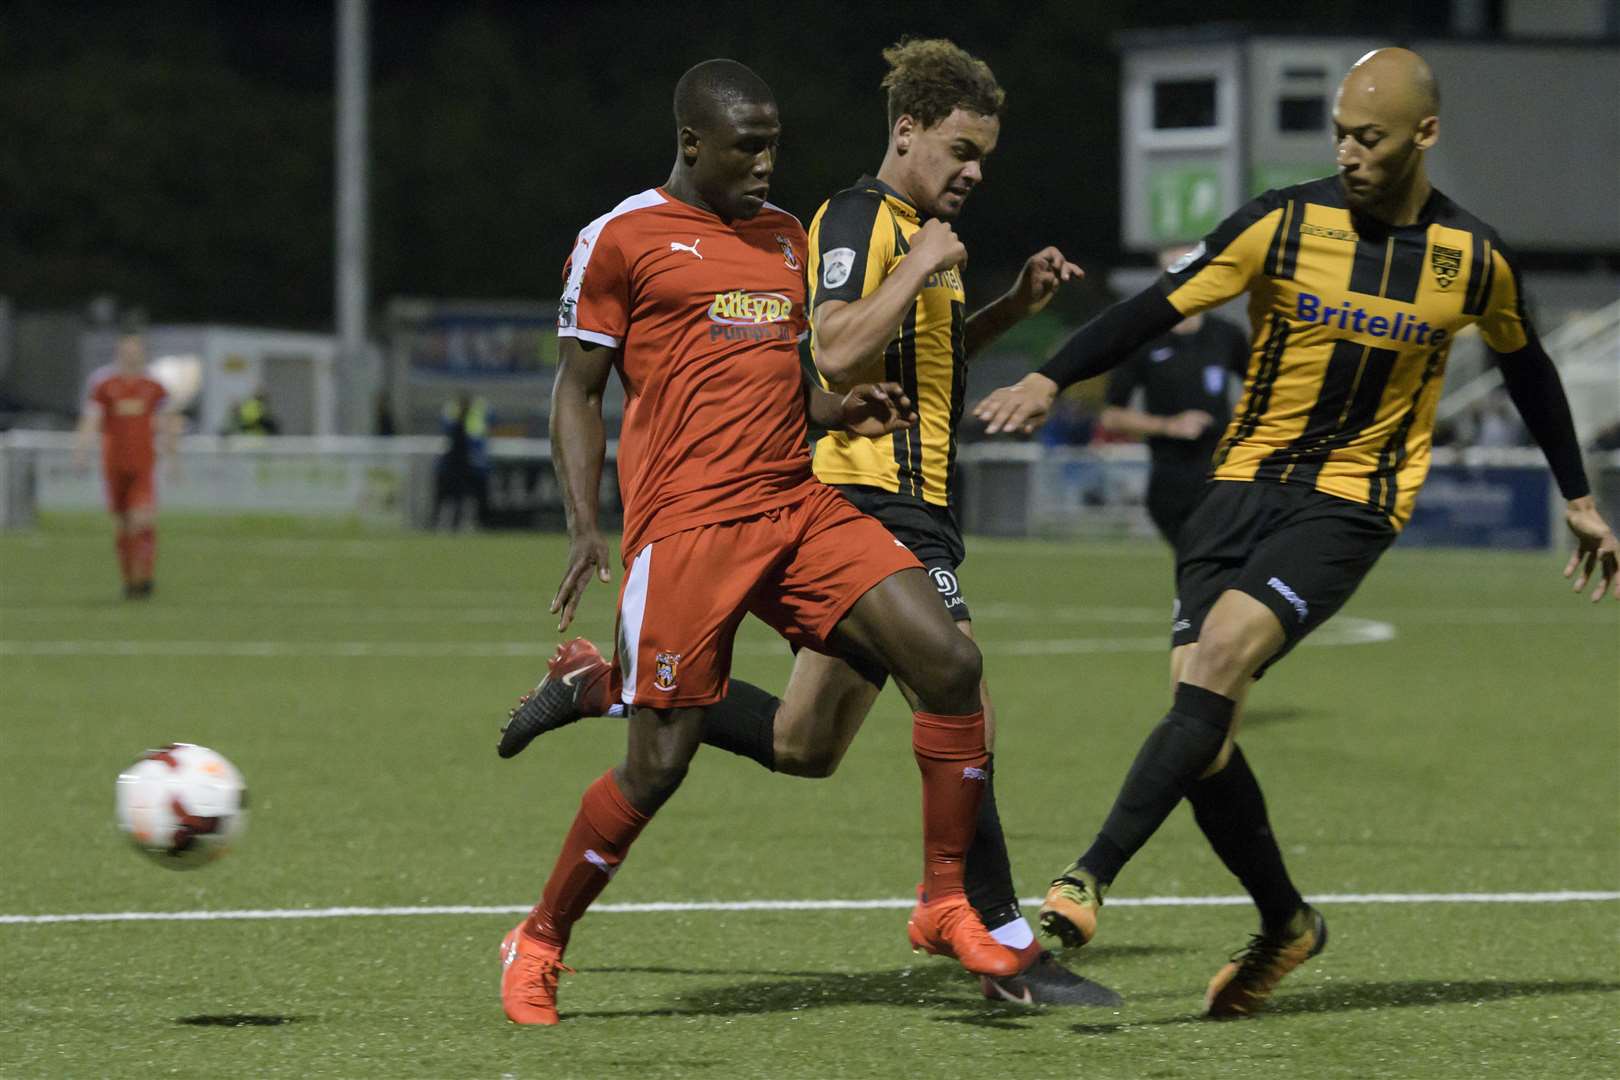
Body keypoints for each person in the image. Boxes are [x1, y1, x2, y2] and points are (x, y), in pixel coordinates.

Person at [972, 47, 1620, 1018]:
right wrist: (1048, 376)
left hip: (1352, 503)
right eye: (1341, 137)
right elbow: (1156, 308)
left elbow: (1528, 368)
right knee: (1203, 726)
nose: (1351, 154)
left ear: (1425, 136)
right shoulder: (1283, 221)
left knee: (1220, 660)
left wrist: (1577, 495)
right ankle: (1287, 922)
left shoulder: (1472, 257)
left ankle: (1086, 876)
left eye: (1372, 138)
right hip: (1234, 492)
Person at [499, 37, 1116, 1008]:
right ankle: (538, 939)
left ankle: (951, 903)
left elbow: (793, 370)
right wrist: (586, 528)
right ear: (691, 141)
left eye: (773, 147)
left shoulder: (784, 235)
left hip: (797, 502)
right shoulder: (621, 237)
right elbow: (576, 392)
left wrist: (836, 411)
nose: (764, 165)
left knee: (949, 665)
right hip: (688, 527)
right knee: (659, 767)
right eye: (745, 147)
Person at [1099, 245, 1250, 548]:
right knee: (1199, 565)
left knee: (1224, 567)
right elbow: (1111, 416)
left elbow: (1264, 385)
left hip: (1223, 474)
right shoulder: (1143, 337)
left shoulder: (1226, 335)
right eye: (1174, 270)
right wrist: (1169, 426)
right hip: (1171, 479)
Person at [73, 320, 180, 599]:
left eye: (136, 350)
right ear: (119, 352)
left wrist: (172, 458)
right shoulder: (103, 383)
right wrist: (81, 451)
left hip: (143, 464)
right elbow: (91, 420)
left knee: (140, 520)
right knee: (123, 525)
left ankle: (145, 578)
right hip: (114, 464)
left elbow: (167, 423)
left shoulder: (154, 386)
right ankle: (130, 581)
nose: (131, 354)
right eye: (126, 350)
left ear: (143, 353)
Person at [434, 394, 490, 529]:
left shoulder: (454, 421)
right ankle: (452, 523)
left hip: (458, 466)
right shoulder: (455, 422)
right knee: (455, 498)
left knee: (453, 498)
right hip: (460, 466)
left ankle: (452, 523)